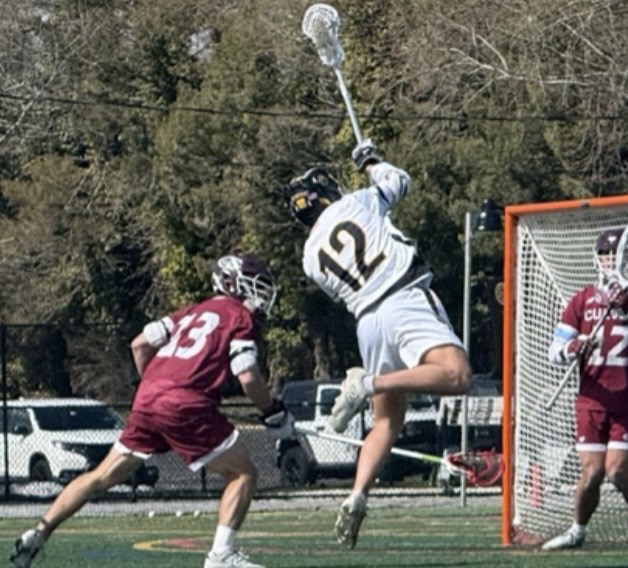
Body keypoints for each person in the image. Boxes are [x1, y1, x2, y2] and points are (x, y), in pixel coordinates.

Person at [9, 253, 294, 568]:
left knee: (101, 476)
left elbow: (140, 344)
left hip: (148, 399)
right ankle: (221, 556)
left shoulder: (191, 312)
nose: (260, 296)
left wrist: (156, 388)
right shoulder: (240, 316)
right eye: (256, 286)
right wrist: (272, 412)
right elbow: (248, 375)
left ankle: (39, 531)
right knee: (242, 472)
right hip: (184, 402)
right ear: (231, 283)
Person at [285, 139, 472, 548]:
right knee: (457, 374)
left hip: (367, 322)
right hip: (403, 295)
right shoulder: (356, 202)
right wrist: (370, 161)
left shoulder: (309, 257)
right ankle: (367, 383)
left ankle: (357, 495)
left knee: (387, 421)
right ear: (326, 192)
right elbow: (399, 180)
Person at [541, 228, 628, 551]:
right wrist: (573, 347)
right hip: (592, 399)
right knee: (592, 473)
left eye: (616, 254)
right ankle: (577, 530)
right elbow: (554, 351)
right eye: (605, 254)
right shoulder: (582, 300)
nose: (610, 260)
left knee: (617, 471)